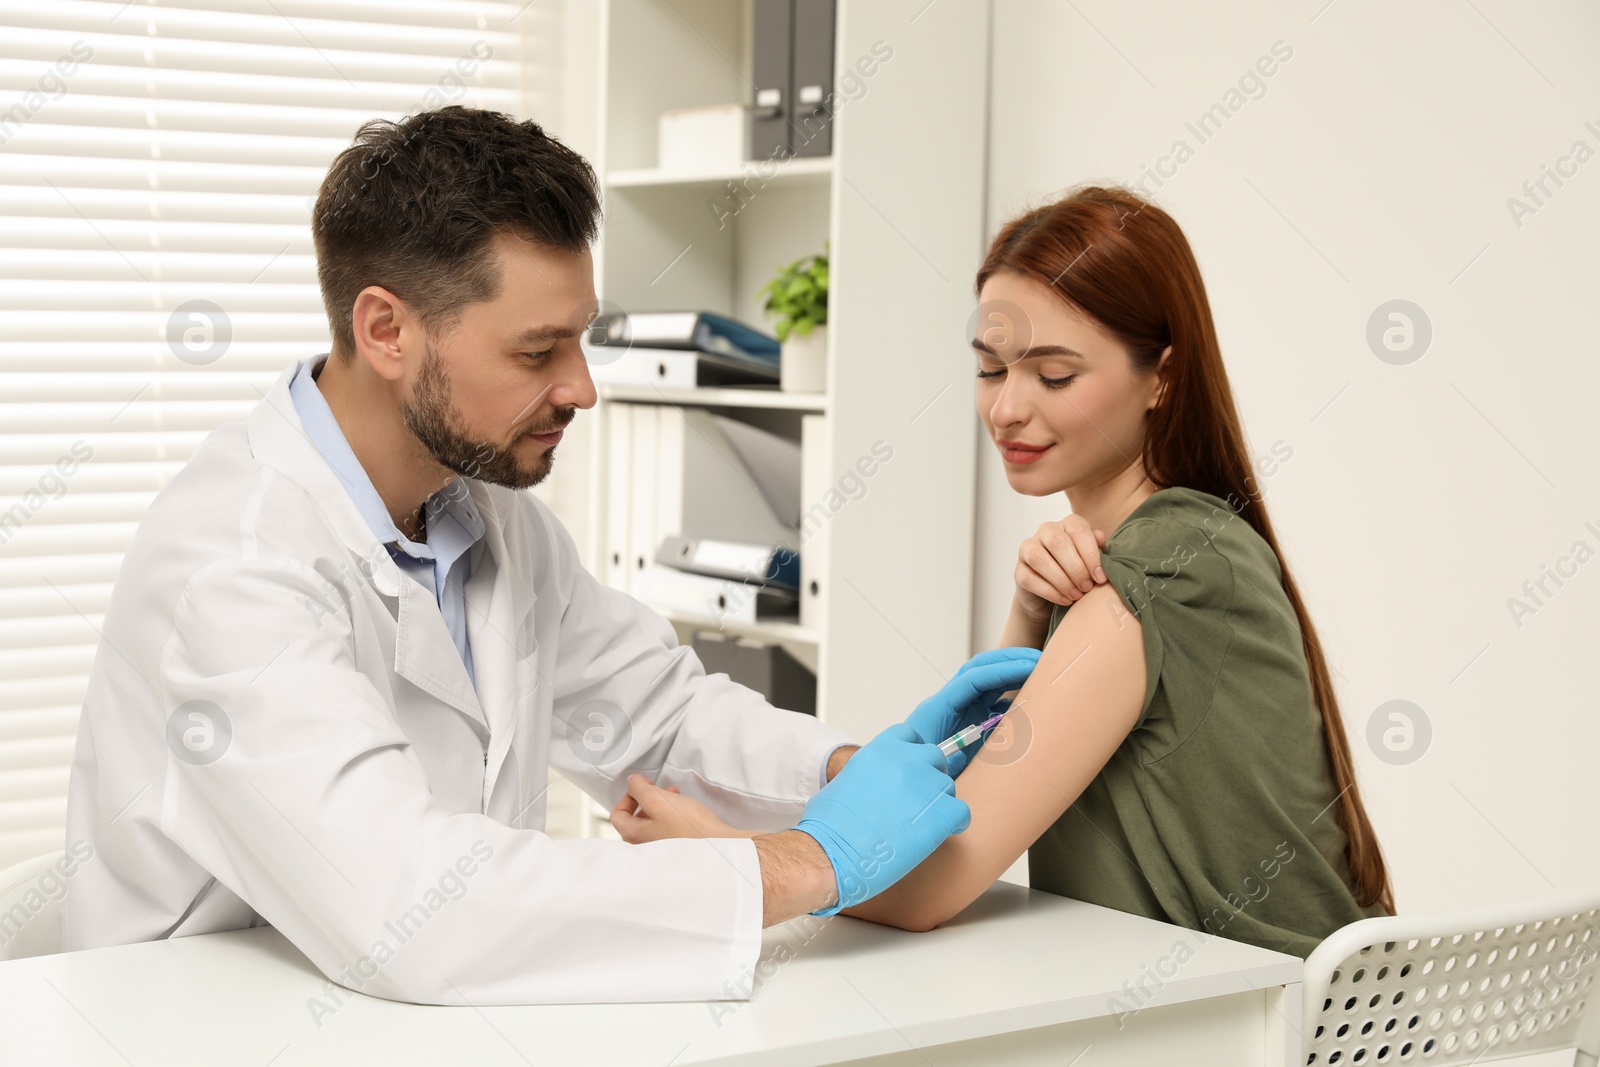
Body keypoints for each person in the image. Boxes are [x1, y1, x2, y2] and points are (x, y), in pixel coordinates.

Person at [61, 105, 1041, 1005]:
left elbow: (658, 720)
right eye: (537, 352)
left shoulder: (483, 513)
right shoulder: (230, 569)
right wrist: (808, 862)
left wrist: (857, 768)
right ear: (386, 328)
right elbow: (412, 907)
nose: (581, 387)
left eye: (580, 340)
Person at [615, 185, 1394, 958]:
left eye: (1053, 376)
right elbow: (967, 801)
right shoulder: (1150, 549)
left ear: (1163, 376)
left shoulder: (1169, 565)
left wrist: (716, 844)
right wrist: (1030, 615)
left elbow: (936, 878)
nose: (1007, 409)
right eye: (991, 370)